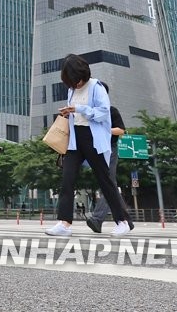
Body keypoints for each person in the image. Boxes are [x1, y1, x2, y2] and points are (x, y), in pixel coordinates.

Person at [45, 55, 134, 237]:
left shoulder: (96, 87)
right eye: (71, 81)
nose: (75, 84)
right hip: (74, 139)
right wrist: (68, 112)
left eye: (77, 80)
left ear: (83, 74)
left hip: (92, 137)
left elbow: (103, 113)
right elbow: (75, 112)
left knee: (105, 179)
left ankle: (122, 222)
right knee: (67, 179)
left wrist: (79, 109)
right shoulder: (71, 90)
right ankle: (64, 223)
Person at [86, 81, 129, 233]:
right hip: (96, 150)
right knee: (110, 183)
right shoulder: (90, 112)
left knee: (108, 183)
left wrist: (104, 130)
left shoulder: (111, 111)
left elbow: (121, 130)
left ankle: (97, 219)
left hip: (110, 149)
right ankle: (127, 220)